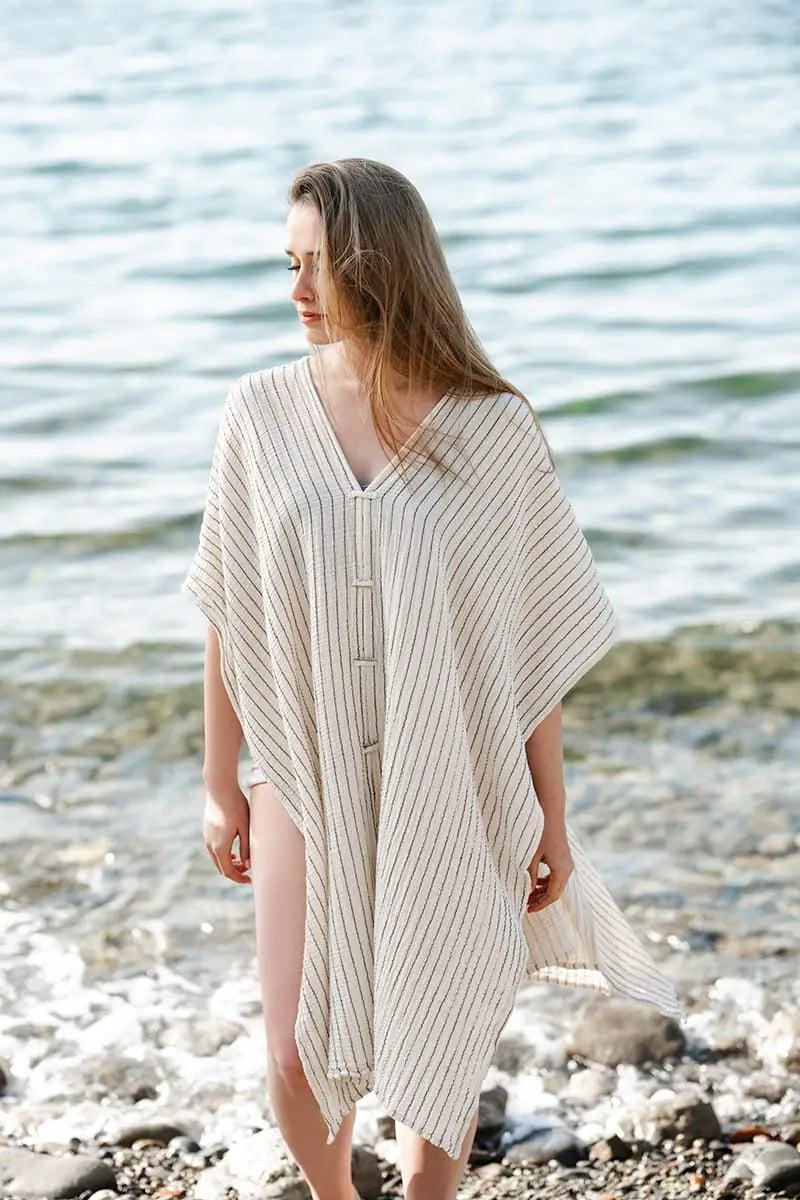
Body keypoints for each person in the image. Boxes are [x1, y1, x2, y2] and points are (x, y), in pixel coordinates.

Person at [181, 158, 683, 1200]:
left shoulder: (491, 428)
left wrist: (552, 813)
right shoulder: (257, 415)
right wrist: (216, 778)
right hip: (298, 768)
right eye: (287, 264)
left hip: (445, 766)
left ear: (380, 264)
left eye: (314, 264)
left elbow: (526, 638)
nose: (295, 292)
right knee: (294, 1047)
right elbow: (229, 604)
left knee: (437, 1010)